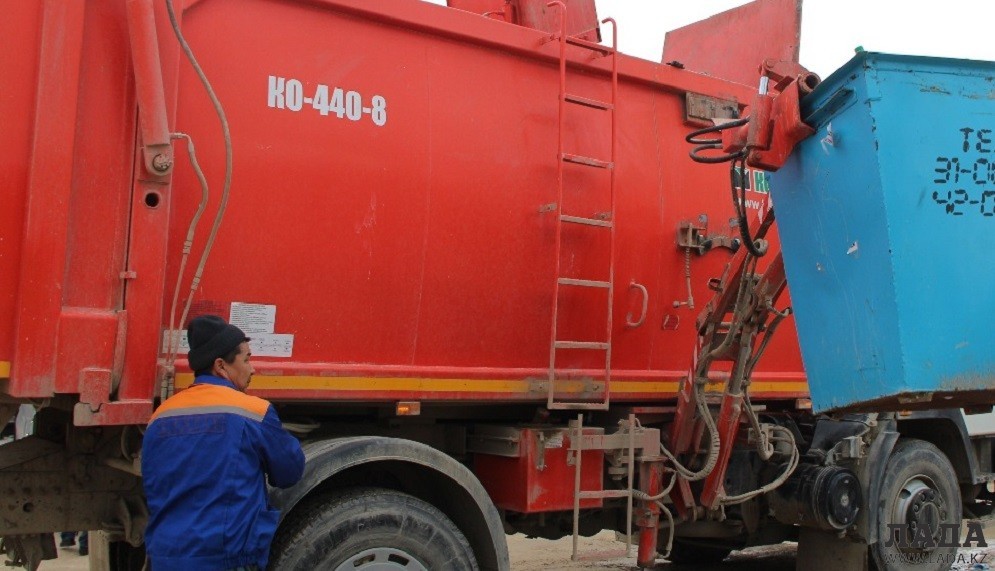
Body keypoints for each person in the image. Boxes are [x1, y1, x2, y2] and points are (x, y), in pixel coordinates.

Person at [142, 315, 305, 571]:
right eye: (246, 359)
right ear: (221, 366)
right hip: (225, 559)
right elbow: (289, 472)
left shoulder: (159, 417)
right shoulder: (253, 412)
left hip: (166, 558)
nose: (252, 369)